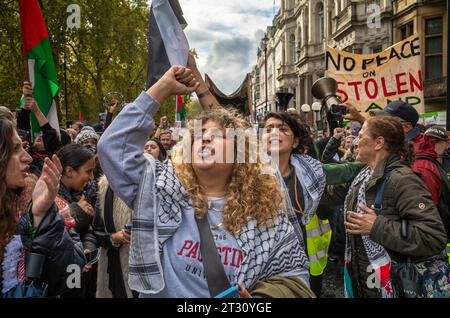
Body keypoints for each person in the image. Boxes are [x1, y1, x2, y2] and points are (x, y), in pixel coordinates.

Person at [98, 65, 314, 298]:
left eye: (218, 135)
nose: (206, 138)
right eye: (199, 135)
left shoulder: (266, 213)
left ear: (239, 152)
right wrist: (162, 88)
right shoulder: (162, 191)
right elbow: (112, 147)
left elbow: (294, 278)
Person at [332, 116, 447, 298]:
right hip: (367, 285)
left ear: (378, 143)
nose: (355, 142)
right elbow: (327, 191)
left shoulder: (402, 179)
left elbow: (433, 236)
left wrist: (377, 226)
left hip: (396, 287)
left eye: (360, 135)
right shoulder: (363, 176)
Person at [0, 109, 86, 297]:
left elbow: (73, 278)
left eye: (24, 147)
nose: (28, 157)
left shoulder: (35, 197)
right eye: (15, 149)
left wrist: (41, 218)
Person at [56, 144, 98, 297]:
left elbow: (88, 230)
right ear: (68, 171)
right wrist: (77, 211)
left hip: (78, 270)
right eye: (88, 171)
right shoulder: (48, 196)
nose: (92, 177)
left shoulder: (79, 194)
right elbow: (54, 233)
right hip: (64, 274)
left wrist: (87, 248)